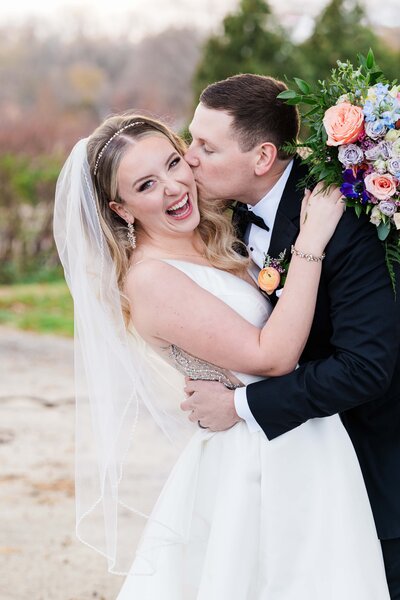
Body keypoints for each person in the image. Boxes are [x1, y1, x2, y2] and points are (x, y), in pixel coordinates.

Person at [53, 112, 390, 600]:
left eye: (174, 163)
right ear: (121, 208)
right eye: (147, 184)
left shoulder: (215, 239)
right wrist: (311, 243)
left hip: (303, 438)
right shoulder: (151, 279)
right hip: (259, 462)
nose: (173, 187)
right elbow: (271, 356)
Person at [182, 73, 400, 598]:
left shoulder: (343, 214)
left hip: (373, 464)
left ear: (262, 158)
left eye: (206, 147)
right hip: (283, 468)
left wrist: (239, 406)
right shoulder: (222, 216)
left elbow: (364, 367)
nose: (188, 157)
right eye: (191, 138)